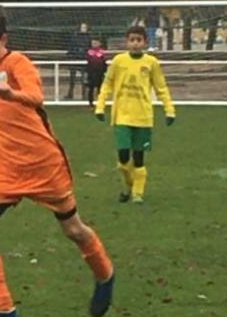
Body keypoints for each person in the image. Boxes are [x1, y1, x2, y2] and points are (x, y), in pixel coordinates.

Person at [0, 0, 114, 317]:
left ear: (3, 39)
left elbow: (35, 96)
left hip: (44, 165)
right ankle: (3, 310)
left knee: (73, 230)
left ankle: (105, 274)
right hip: (6, 171)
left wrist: (11, 94)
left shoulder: (18, 64)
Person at [94, 25, 175, 204]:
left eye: (139, 40)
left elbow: (161, 88)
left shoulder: (151, 63)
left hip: (143, 117)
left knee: (138, 159)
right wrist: (100, 106)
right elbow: (107, 84)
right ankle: (129, 184)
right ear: (127, 42)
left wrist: (169, 110)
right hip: (122, 116)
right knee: (123, 158)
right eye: (132, 40)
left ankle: (137, 193)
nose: (135, 43)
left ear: (145, 42)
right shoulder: (119, 61)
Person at [64, 22, 91, 100]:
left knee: (84, 78)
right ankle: (70, 94)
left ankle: (84, 95)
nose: (83, 29)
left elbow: (89, 48)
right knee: (72, 78)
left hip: (84, 61)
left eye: (85, 27)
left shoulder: (89, 38)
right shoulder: (75, 37)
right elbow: (71, 48)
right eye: (82, 27)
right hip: (74, 60)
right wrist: (70, 57)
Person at [85, 36, 108, 107]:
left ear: (99, 43)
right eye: (93, 43)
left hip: (99, 73)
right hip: (91, 73)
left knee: (100, 88)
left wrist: (104, 71)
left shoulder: (102, 52)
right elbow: (88, 62)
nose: (94, 44)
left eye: (96, 43)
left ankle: (100, 102)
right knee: (91, 89)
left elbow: (104, 62)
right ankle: (91, 103)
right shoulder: (89, 52)